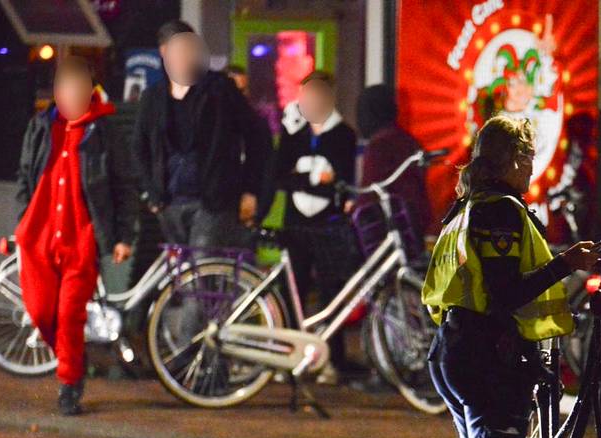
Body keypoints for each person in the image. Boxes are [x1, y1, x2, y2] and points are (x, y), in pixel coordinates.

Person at [395, 116, 598, 438]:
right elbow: (507, 292)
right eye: (528, 159)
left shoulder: (469, 207)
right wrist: (567, 265)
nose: (532, 169)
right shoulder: (500, 212)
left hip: (461, 352)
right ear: (510, 160)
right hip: (487, 360)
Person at [13, 56, 136, 415]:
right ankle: (73, 358)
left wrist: (122, 235)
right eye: (63, 90)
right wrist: (23, 221)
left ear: (89, 89)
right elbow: (24, 176)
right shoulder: (40, 127)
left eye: (77, 89)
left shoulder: (105, 131)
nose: (70, 97)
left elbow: (124, 187)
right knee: (39, 311)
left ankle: (69, 383)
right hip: (38, 237)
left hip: (81, 239)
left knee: (69, 315)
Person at [131, 22, 272, 250]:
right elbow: (139, 147)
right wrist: (152, 192)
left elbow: (257, 137)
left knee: (200, 270)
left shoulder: (219, 89)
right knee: (183, 272)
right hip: (170, 202)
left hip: (213, 202)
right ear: (164, 53)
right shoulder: (153, 97)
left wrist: (251, 189)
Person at [272, 70, 359, 377]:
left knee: (329, 291)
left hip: (328, 226)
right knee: (292, 289)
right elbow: (281, 174)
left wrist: (308, 180)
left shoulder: (343, 135)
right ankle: (290, 356)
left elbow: (341, 181)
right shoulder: (294, 133)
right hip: (295, 225)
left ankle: (331, 359)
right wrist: (312, 180)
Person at [355, 84, 433, 247]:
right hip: (414, 226)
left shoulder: (379, 145)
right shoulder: (408, 141)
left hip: (388, 230)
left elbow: (368, 196)